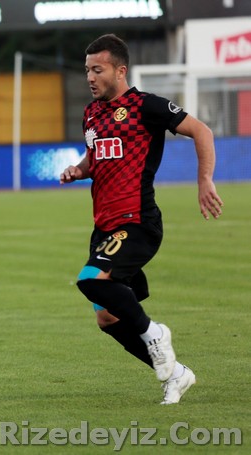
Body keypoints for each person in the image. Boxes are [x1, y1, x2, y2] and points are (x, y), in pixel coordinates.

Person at [60, 34, 223, 405]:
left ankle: (154, 333)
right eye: (87, 70)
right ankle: (176, 375)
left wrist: (204, 180)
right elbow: (95, 157)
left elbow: (202, 131)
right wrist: (79, 170)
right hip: (104, 227)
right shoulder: (92, 113)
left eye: (98, 70)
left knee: (90, 280)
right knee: (107, 319)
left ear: (120, 71)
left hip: (136, 222)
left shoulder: (146, 106)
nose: (90, 77)